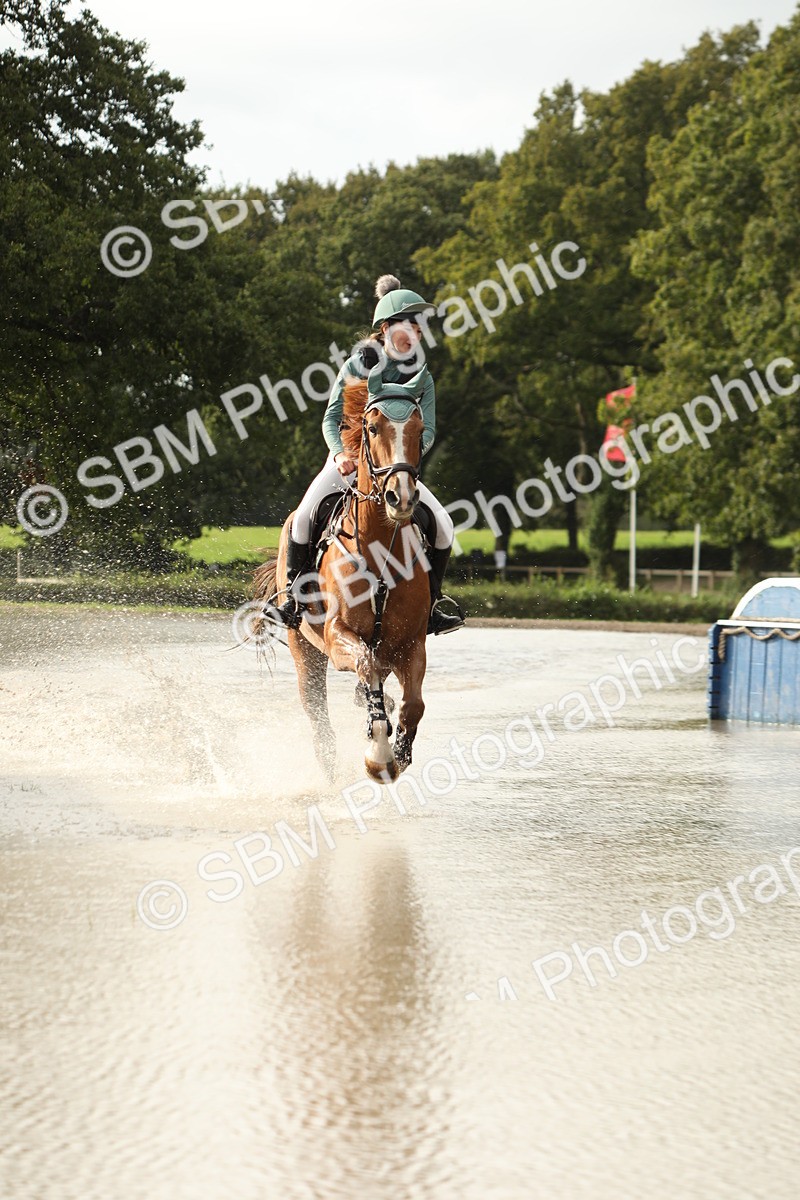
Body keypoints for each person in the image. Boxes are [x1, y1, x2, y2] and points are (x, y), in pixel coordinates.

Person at [271, 274, 465, 636]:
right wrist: (340, 454)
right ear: (389, 327)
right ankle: (290, 600)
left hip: (396, 469)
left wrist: (403, 461)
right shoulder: (358, 366)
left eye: (421, 328)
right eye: (412, 325)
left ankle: (433, 606)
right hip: (350, 461)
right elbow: (331, 418)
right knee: (302, 520)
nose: (418, 334)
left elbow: (431, 429)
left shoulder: (422, 376)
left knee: (444, 526)